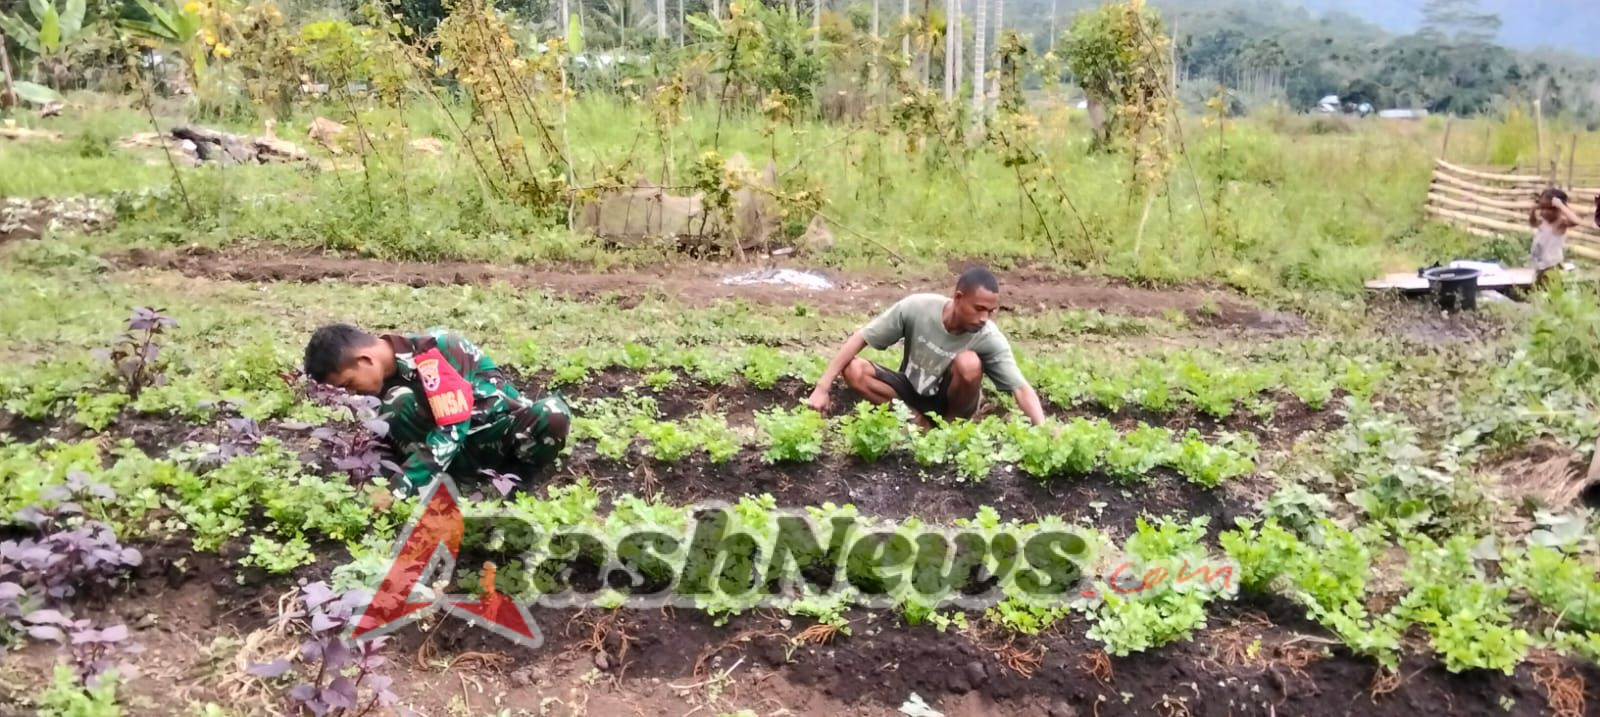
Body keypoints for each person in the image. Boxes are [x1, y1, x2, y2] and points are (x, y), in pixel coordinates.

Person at [303, 324, 571, 500]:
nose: (353, 393)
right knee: (398, 403)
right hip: (453, 459)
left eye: (349, 383)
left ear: (365, 360)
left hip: (497, 438)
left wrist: (398, 489)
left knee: (553, 413)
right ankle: (461, 486)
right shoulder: (382, 390)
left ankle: (516, 484)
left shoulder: (433, 350)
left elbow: (453, 425)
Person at [807, 266, 1050, 427]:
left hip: (950, 403)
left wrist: (1043, 428)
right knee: (854, 369)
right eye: (979, 309)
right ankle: (917, 423)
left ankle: (946, 429)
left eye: (991, 311)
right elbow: (861, 337)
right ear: (958, 298)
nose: (985, 318)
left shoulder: (988, 337)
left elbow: (1020, 388)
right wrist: (822, 387)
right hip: (910, 391)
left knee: (969, 363)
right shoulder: (918, 308)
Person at [1529, 188, 1586, 286]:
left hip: (1552, 267)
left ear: (1559, 210)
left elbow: (1576, 221)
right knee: (1537, 293)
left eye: (1549, 208)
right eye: (1542, 208)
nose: (1544, 212)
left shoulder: (1560, 224)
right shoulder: (1543, 222)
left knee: (1551, 293)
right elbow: (1532, 222)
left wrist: (1561, 205)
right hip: (1539, 267)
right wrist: (1534, 209)